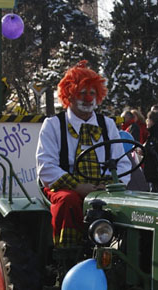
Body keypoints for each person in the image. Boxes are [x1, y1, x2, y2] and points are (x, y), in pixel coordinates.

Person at [35, 61, 130, 250]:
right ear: (69, 94)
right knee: (68, 201)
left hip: (104, 186)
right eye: (82, 93)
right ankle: (67, 253)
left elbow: (123, 164)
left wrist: (110, 185)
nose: (88, 99)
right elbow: (46, 167)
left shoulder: (107, 124)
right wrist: (79, 187)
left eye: (92, 93)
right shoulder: (53, 125)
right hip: (65, 187)